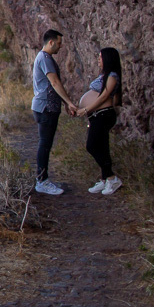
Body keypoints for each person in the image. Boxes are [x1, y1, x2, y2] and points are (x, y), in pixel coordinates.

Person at [31, 29, 78, 195]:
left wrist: (65, 103)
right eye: (59, 43)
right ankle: (42, 181)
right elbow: (55, 83)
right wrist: (70, 102)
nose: (60, 46)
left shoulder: (44, 58)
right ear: (50, 42)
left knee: (46, 143)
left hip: (46, 107)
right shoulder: (45, 58)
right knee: (44, 144)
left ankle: (42, 179)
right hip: (45, 108)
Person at [80, 47, 124, 195]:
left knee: (91, 146)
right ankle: (105, 179)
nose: (98, 59)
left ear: (108, 58)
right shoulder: (105, 75)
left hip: (103, 114)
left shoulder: (112, 75)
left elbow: (105, 96)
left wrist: (86, 109)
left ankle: (111, 178)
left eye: (100, 57)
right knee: (102, 147)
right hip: (97, 115)